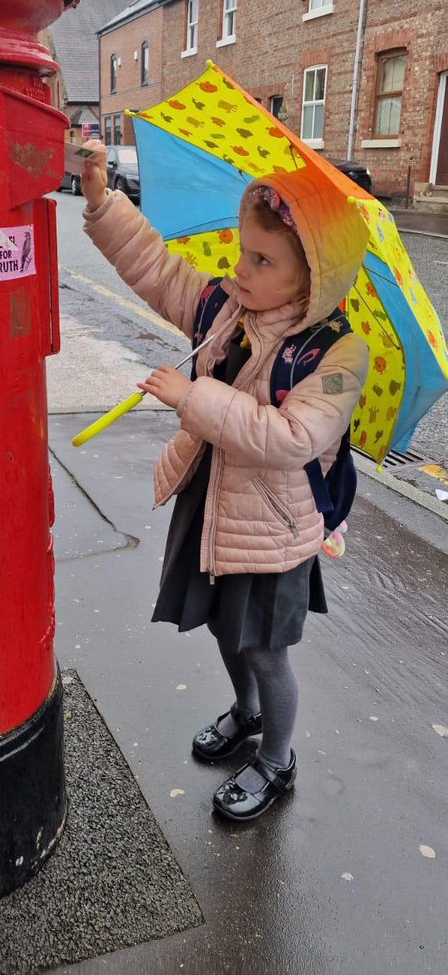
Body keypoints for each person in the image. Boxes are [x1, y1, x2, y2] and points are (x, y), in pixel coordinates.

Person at [80, 139, 370, 821]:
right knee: (220, 628)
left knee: (265, 650)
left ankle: (276, 760)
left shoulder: (336, 353)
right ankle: (245, 714)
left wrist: (192, 398)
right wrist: (101, 202)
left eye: (261, 261)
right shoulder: (223, 308)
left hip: (271, 527)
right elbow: (156, 270)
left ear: (311, 279)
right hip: (211, 502)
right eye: (242, 250)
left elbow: (291, 438)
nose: (240, 267)